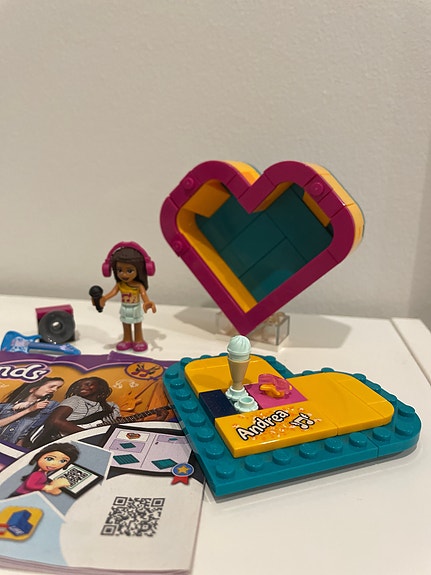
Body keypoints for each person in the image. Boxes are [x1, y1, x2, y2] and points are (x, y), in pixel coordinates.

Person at [98, 245, 156, 352]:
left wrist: (147, 302)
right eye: (120, 270)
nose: (124, 274)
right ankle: (127, 339)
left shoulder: (138, 285)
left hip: (135, 307)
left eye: (129, 271)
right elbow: (113, 292)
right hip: (125, 308)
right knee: (125, 323)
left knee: (137, 324)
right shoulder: (120, 284)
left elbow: (143, 294)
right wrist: (104, 298)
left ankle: (138, 340)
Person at [36, 376, 120, 442]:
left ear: (101, 387)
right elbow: (55, 420)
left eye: (88, 384)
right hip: (62, 438)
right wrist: (89, 434)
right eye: (78, 386)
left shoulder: (111, 406)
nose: (81, 387)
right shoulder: (75, 400)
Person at [0, 377, 64, 446]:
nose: (55, 390)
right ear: (33, 389)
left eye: (58, 388)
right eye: (51, 386)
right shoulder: (5, 407)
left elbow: (32, 430)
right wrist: (29, 409)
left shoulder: (50, 406)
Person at [10, 442, 79, 497]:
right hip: (20, 495)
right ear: (39, 457)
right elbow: (29, 485)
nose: (55, 464)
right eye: (50, 459)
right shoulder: (37, 474)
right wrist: (46, 487)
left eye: (63, 461)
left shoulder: (44, 474)